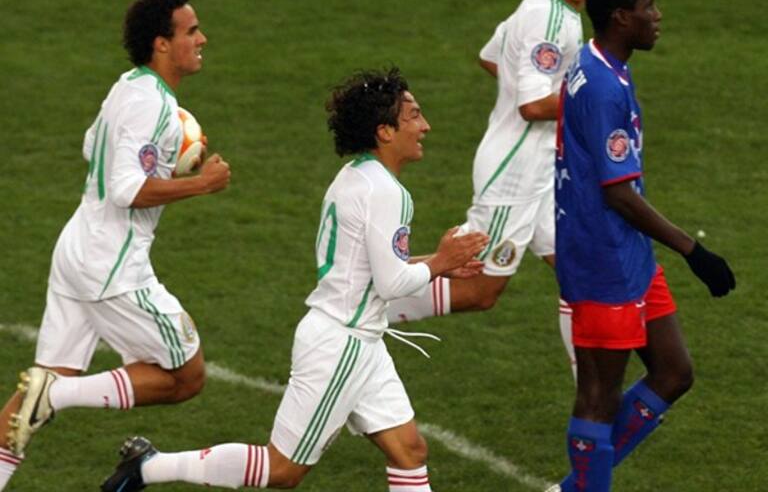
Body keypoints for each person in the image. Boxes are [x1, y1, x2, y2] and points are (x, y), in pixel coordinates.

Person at [100, 68, 489, 491]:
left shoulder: (357, 177)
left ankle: (147, 466)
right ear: (385, 131)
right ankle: (148, 467)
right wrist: (441, 261)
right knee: (282, 469)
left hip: (358, 339)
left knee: (409, 450)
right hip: (342, 345)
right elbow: (394, 284)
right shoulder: (386, 192)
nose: (425, 125)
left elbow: (369, 266)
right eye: (414, 116)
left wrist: (440, 261)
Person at [0, 0, 231, 491]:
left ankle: (42, 403)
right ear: (161, 44)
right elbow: (127, 189)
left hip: (77, 251)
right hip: (114, 268)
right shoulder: (155, 107)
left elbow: (92, 146)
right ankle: (58, 395)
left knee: (31, 399)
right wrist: (200, 182)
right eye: (190, 31)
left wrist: (162, 158)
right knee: (186, 377)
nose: (201, 38)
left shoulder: (129, 86)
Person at [386, 0, 606, 378]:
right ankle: (364, 313)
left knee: (582, 270)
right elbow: (530, 105)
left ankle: (593, 398)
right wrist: (595, 105)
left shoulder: (545, 6)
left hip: (543, 170)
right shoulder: (547, 16)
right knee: (480, 290)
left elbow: (491, 56)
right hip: (516, 173)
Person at [549, 0, 735, 491]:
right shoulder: (605, 86)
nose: (657, 17)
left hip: (627, 254)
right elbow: (618, 193)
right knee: (597, 397)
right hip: (601, 258)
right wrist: (694, 251)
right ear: (621, 17)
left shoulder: (598, 63)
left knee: (674, 371)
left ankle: (576, 485)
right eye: (649, 7)